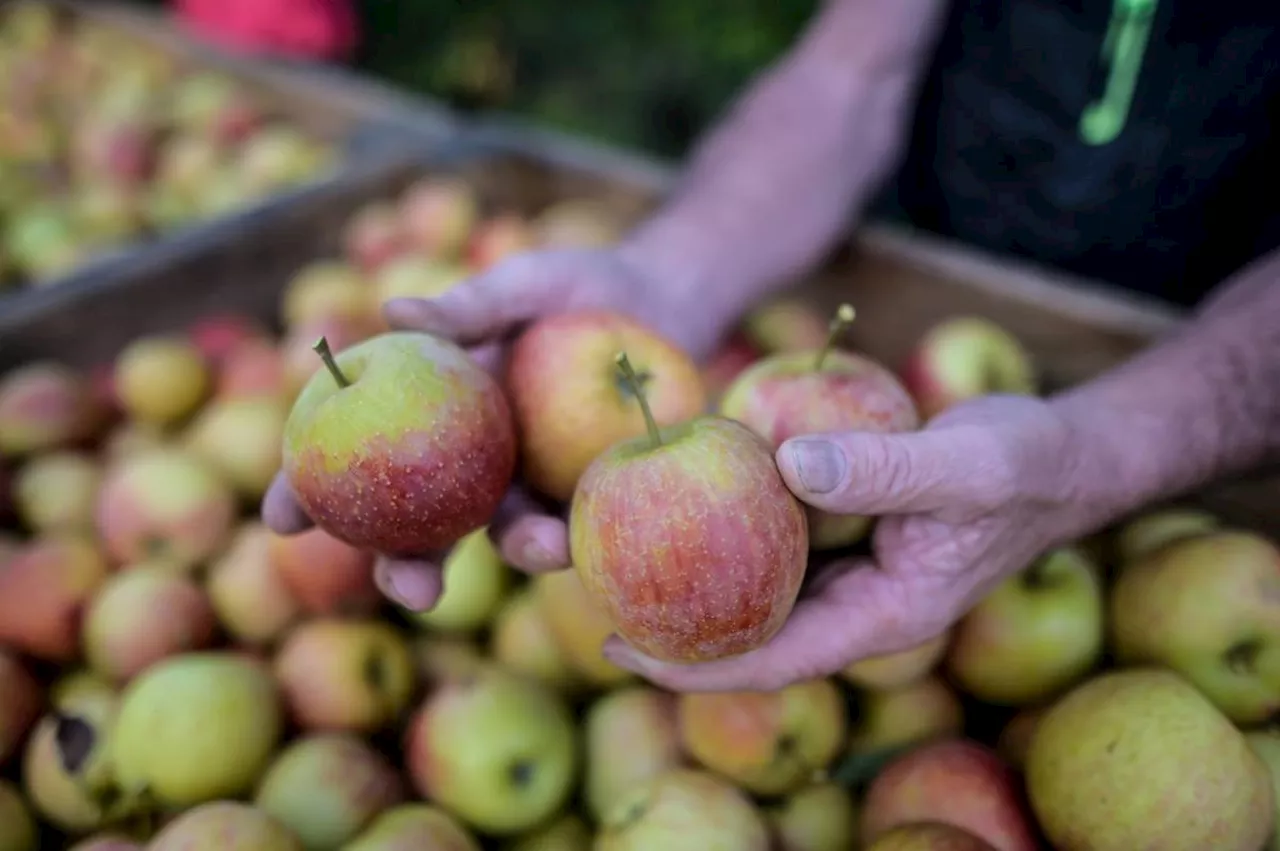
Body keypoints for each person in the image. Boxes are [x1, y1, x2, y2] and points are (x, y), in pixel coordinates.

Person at [263, 0, 1280, 693]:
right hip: (926, 299)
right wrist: (669, 276)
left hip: (1226, 440)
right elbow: (852, 71)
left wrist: (1108, 453)